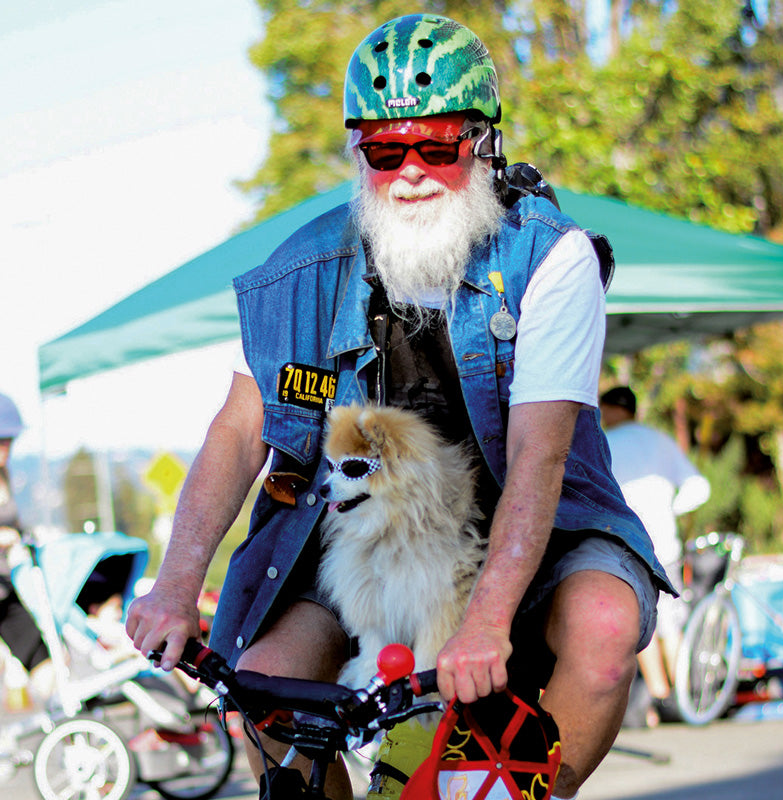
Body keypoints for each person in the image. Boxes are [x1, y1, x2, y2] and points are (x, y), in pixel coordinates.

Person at [126, 15, 673, 800]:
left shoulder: (551, 258)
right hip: (367, 537)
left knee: (604, 628)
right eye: (387, 151)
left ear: (482, 144)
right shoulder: (300, 272)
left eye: (436, 146)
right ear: (360, 154)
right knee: (265, 682)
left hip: (538, 529)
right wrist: (176, 585)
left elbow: (539, 459)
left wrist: (485, 620)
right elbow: (241, 429)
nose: (411, 170)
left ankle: (522, 794)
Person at [599, 385, 710, 724]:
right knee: (671, 621)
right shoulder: (659, 440)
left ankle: (659, 698)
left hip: (627, 542)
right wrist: (671, 509)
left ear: (613, 409)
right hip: (666, 543)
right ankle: (683, 698)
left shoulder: (606, 442)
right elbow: (698, 487)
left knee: (642, 619)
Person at [0, 392, 49, 691]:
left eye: (9, 441)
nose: (6, 448)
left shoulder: (5, 474)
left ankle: (61, 728)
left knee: (47, 665)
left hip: (5, 590)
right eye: (1, 440)